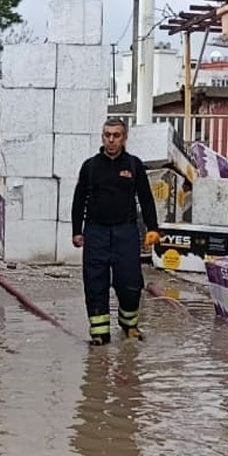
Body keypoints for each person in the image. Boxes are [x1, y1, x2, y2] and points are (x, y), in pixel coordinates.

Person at [70, 118, 161, 345]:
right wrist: (76, 231)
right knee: (95, 282)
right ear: (102, 137)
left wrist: (153, 228)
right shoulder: (90, 166)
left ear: (124, 138)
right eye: (107, 135)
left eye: (116, 135)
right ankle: (99, 332)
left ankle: (129, 325)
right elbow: (78, 200)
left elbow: (146, 198)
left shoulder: (134, 165)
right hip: (96, 232)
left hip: (126, 232)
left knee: (130, 283)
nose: (111, 140)